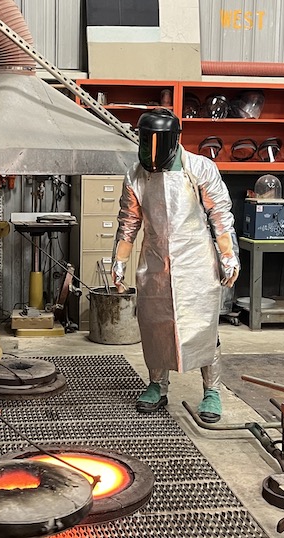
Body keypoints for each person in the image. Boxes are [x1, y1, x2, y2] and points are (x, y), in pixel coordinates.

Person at [112, 108, 239, 423]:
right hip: (155, 264)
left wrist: (228, 255)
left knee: (204, 330)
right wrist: (118, 260)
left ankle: (211, 392)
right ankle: (157, 385)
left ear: (174, 140)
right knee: (155, 327)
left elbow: (220, 216)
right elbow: (129, 222)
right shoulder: (135, 175)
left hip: (197, 263)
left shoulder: (200, 169)